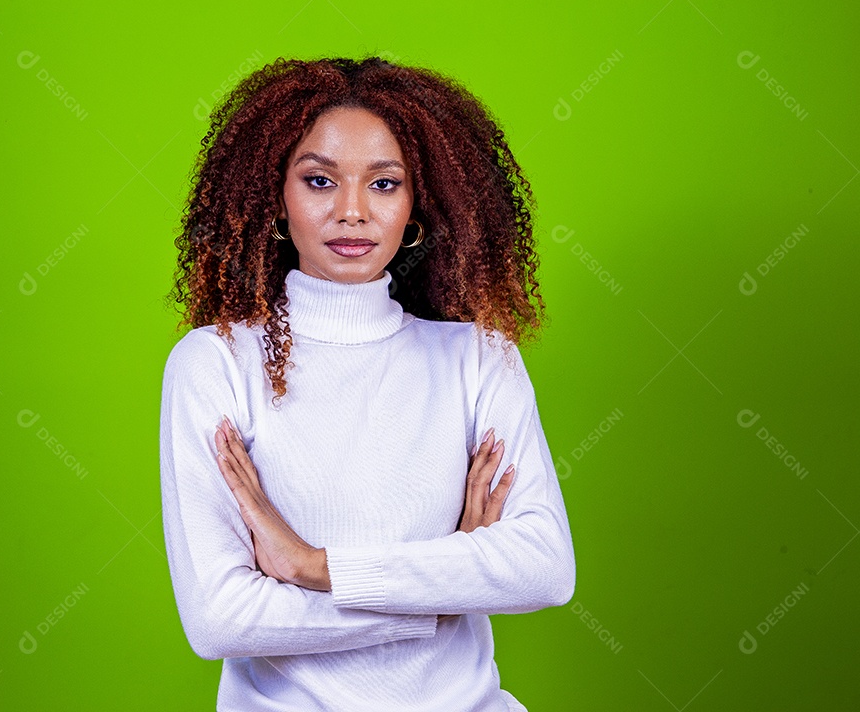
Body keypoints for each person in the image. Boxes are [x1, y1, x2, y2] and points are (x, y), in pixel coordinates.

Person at [159, 55, 576, 711]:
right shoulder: (215, 362)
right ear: (277, 198)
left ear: (417, 205)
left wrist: (312, 567)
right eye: (320, 180)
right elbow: (221, 619)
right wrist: (443, 589)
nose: (352, 211)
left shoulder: (477, 356)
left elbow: (544, 568)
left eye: (384, 184)